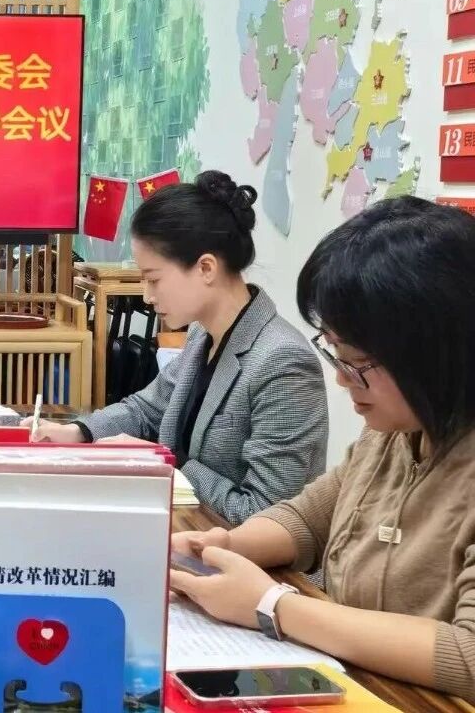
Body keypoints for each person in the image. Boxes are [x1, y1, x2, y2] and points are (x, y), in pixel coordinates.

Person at [170, 197, 475, 701]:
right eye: (336, 353)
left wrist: (273, 605)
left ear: (435, 351)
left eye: (357, 362)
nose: (341, 378)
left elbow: (467, 656)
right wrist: (223, 547)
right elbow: (308, 517)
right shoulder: (394, 432)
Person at [29, 171, 328, 524]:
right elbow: (147, 408)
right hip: (190, 531)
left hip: (239, 551)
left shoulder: (283, 361)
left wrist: (166, 464)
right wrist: (79, 432)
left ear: (206, 268)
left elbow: (267, 514)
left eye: (153, 279)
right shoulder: (203, 332)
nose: (146, 296)